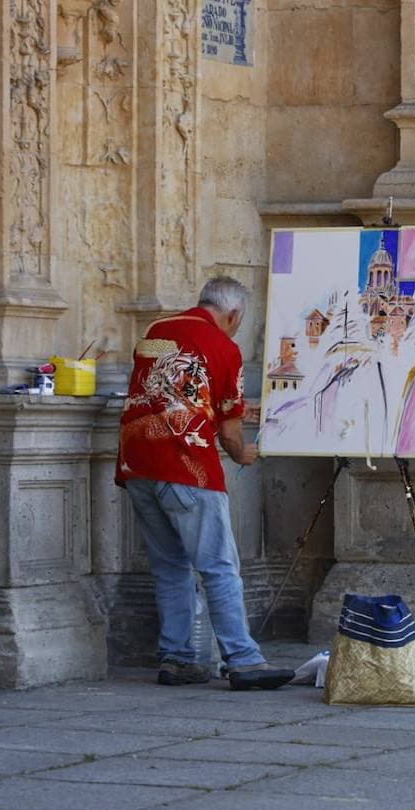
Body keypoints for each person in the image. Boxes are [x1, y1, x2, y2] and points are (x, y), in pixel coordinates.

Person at [116, 277, 295, 690]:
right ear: (232, 315)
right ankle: (243, 660)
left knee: (170, 567)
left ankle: (177, 659)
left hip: (138, 461)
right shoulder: (223, 346)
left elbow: (170, 387)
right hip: (186, 467)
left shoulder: (157, 331)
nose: (235, 328)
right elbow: (231, 435)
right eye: (238, 322)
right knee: (218, 566)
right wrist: (244, 454)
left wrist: (219, 411)